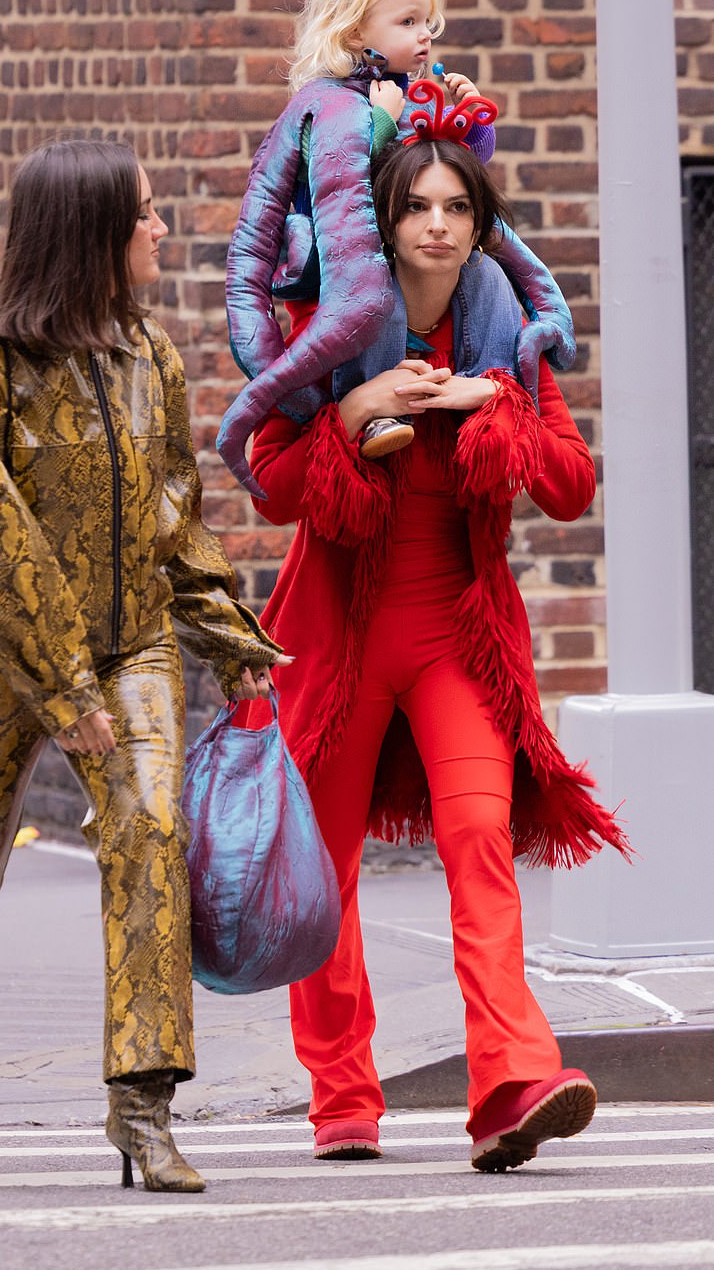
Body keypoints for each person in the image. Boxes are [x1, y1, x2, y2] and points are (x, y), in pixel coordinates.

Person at [0, 137, 286, 1194]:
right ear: (89, 232)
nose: (158, 229)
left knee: (148, 826)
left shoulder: (151, 355)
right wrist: (62, 687)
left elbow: (172, 523)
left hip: (130, 639)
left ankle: (141, 1105)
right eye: (143, 213)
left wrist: (233, 644)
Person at [242, 130, 630, 1173]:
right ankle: (341, 1094)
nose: (438, 223)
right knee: (321, 875)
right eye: (417, 205)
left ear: (477, 222)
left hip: (456, 636)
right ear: (383, 219)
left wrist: (491, 399)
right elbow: (267, 478)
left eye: (456, 206)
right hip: (336, 639)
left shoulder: (503, 329)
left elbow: (567, 483)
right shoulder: (323, 326)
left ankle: (511, 1077)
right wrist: (355, 409)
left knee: (475, 838)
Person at [218, 0, 574, 496]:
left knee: (480, 285)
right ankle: (378, 412)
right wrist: (380, 123)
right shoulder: (334, 105)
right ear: (355, 31)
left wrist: (470, 117)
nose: (424, 34)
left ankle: (488, 389)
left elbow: (454, 168)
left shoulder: (406, 94)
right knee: (375, 305)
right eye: (407, 22)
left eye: (427, 21)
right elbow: (355, 175)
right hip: (338, 274)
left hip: (387, 275)